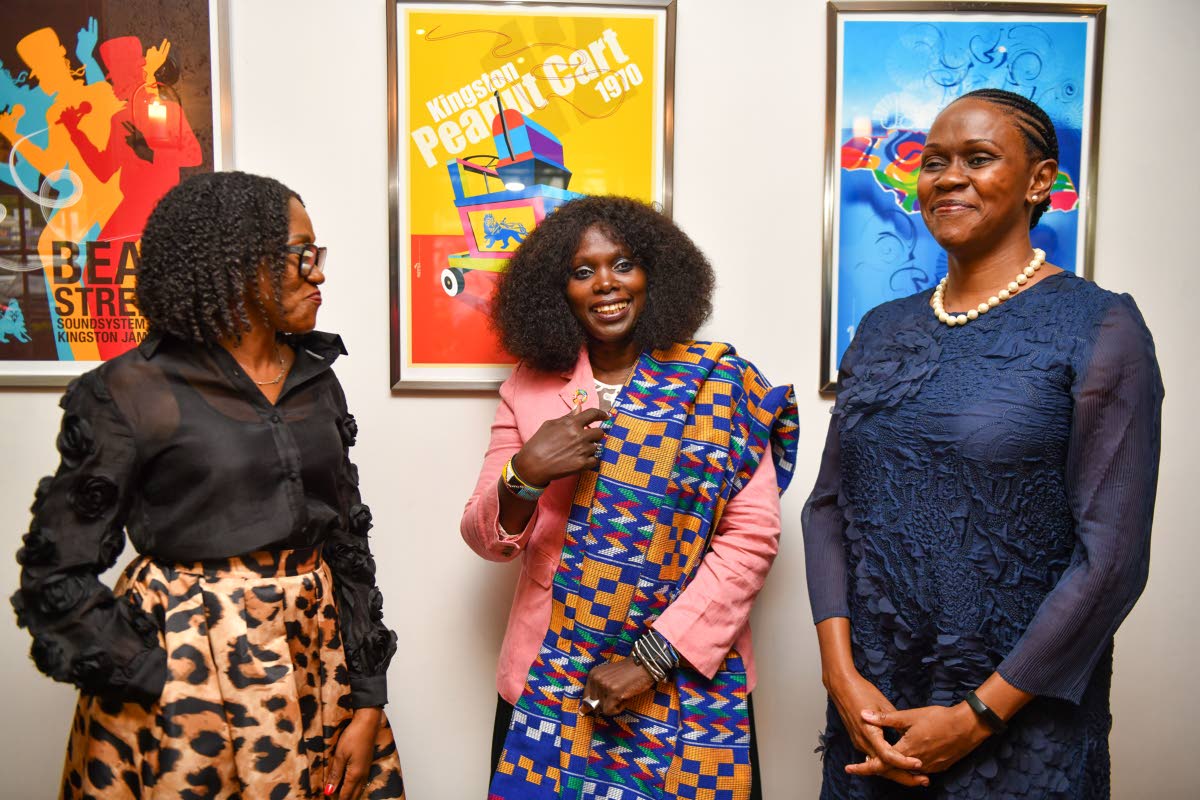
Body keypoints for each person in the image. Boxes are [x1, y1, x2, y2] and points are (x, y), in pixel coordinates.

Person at [803, 88, 1163, 798]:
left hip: (1019, 723)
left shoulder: (1102, 329)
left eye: (978, 158)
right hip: (876, 718)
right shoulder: (881, 329)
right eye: (932, 161)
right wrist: (841, 678)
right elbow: (827, 510)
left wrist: (975, 717)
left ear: (1039, 181)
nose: (947, 177)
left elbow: (1112, 562)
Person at [11, 171, 405, 799]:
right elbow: (54, 576)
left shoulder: (318, 381)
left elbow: (348, 547)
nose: (318, 272)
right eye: (301, 254)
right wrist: (150, 676)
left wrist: (367, 696)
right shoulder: (132, 391)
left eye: (316, 254)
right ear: (239, 264)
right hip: (191, 683)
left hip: (316, 670)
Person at [461, 195, 799, 800]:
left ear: (656, 274)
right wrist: (527, 471)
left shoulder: (721, 383)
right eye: (582, 271)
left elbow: (751, 539)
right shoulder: (528, 388)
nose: (605, 284)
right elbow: (486, 539)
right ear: (556, 289)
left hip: (688, 673)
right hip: (556, 678)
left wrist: (648, 660)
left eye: (623, 264)